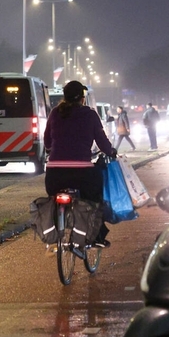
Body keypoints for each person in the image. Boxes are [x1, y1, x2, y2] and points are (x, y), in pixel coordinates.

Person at [43, 80, 116, 247]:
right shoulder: (90, 114)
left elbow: (47, 142)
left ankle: (58, 223)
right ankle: (96, 235)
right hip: (81, 173)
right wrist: (111, 152)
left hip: (54, 175)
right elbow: (102, 142)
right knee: (95, 198)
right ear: (83, 98)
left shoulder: (55, 113)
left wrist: (52, 150)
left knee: (54, 195)